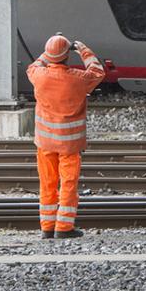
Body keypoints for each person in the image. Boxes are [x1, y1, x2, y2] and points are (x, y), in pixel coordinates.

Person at [28, 34, 105, 238]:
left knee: (47, 183)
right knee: (68, 184)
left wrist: (51, 51)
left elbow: (34, 65)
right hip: (70, 144)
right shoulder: (77, 79)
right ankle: (63, 228)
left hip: (45, 143)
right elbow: (98, 71)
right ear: (67, 57)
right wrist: (82, 49)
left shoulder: (38, 75)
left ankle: (46, 227)